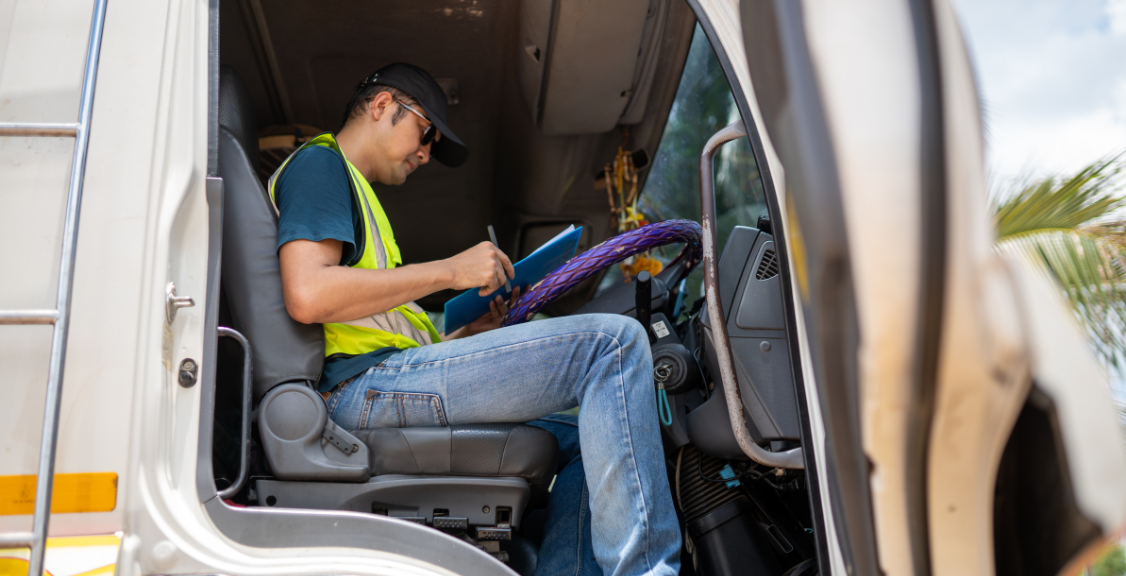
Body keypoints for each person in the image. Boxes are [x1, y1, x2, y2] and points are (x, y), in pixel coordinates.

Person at [270, 62, 680, 576]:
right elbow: (309, 294)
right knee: (611, 346)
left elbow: (377, 320)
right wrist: (451, 271)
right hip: (358, 390)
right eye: (425, 134)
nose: (425, 153)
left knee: (581, 436)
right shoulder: (320, 166)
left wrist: (467, 333)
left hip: (381, 380)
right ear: (381, 106)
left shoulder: (357, 193)